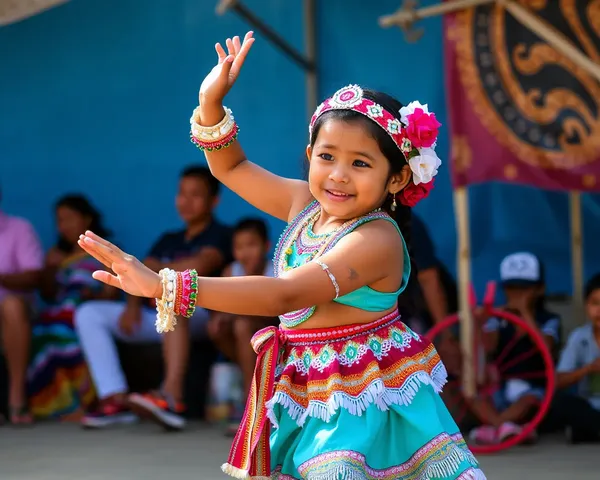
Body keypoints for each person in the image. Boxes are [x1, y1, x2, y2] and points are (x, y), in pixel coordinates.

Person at [77, 32, 484, 479]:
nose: (339, 176)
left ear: (397, 178)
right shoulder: (304, 207)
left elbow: (285, 296)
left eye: (361, 163)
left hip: (367, 396)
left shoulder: (377, 239)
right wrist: (210, 104)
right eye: (327, 156)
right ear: (309, 155)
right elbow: (230, 166)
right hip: (303, 383)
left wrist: (163, 285)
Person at [75, 165, 231, 430]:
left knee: (176, 297)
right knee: (89, 313)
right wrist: (133, 305)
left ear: (213, 201)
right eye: (182, 193)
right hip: (156, 316)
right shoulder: (169, 238)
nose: (186, 201)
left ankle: (170, 397)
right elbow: (139, 270)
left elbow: (198, 266)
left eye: (196, 194)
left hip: (202, 317)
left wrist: (155, 272)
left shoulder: (221, 234)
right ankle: (114, 399)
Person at [27, 195, 118, 421]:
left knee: (64, 330)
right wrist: (50, 268)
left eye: (69, 218)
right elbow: (48, 293)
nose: (63, 226)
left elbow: (113, 293)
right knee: (40, 332)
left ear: (86, 219)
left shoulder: (106, 251)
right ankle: (57, 405)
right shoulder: (57, 256)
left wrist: (93, 295)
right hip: (58, 311)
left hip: (87, 310)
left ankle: (84, 402)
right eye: (59, 221)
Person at [467, 252, 560, 445]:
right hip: (499, 388)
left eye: (524, 289)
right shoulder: (498, 318)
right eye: (511, 288)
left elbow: (547, 348)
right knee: (471, 394)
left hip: (533, 391)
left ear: (540, 290)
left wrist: (524, 312)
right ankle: (506, 428)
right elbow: (488, 347)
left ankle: (496, 428)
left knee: (528, 400)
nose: (516, 295)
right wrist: (478, 323)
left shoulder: (549, 320)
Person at [207, 217, 276, 434]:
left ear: (266, 246)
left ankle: (252, 405)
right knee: (218, 326)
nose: (244, 253)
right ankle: (251, 386)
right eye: (238, 247)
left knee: (242, 326)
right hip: (245, 340)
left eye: (251, 245)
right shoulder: (232, 272)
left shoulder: (276, 271)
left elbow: (277, 312)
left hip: (273, 338)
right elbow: (223, 309)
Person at [0, 187, 44, 425]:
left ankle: (17, 396)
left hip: (16, 310)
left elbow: (33, 276)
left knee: (11, 306)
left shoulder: (19, 228)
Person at [554, 273, 600, 443]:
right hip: (590, 407)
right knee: (561, 403)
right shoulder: (579, 337)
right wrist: (588, 369)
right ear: (586, 305)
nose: (599, 310)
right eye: (595, 303)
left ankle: (589, 432)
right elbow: (558, 381)